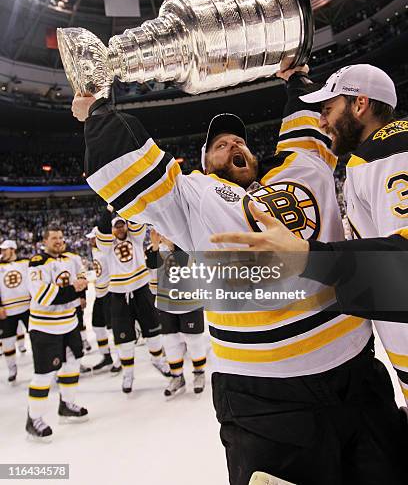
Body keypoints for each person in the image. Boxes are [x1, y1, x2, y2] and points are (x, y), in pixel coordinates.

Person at [71, 78, 406, 484]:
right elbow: (126, 170)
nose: (233, 146)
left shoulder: (302, 172)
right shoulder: (192, 195)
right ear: (204, 162)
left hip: (359, 380)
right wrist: (98, 113)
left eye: (240, 142)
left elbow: (305, 123)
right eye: (220, 145)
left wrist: (294, 76)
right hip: (267, 403)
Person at [211, 64, 408, 403]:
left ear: (360, 105)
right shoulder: (378, 153)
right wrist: (295, 81)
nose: (321, 121)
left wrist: (308, 257)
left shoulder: (390, 151)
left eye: (328, 109)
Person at [26, 225, 89, 441]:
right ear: (44, 241)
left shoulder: (72, 257)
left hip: (69, 323)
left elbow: (82, 280)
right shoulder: (37, 263)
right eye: (54, 238)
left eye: (61, 237)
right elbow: (44, 296)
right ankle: (33, 420)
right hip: (45, 327)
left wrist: (79, 289)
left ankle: (66, 404)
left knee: (73, 363)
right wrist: (74, 289)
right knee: (44, 375)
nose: (59, 241)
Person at [95, 210, 169, 394]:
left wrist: (122, 205)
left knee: (153, 329)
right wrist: (108, 209)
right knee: (124, 338)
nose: (120, 228)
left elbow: (136, 218)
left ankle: (158, 360)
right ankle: (128, 373)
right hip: (118, 295)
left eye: (122, 224)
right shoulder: (106, 246)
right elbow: (102, 227)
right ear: (112, 230)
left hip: (142, 289)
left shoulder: (135, 238)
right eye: (116, 226)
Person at [145, 228, 206, 399]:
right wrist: (156, 245)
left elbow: (185, 262)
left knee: (195, 342)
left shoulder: (188, 244)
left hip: (190, 303)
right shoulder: (156, 248)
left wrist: (172, 245)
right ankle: (177, 377)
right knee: (171, 344)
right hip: (166, 305)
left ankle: (199, 373)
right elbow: (151, 264)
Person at [86, 227, 121, 374]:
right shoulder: (95, 250)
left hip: (109, 293)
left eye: (93, 238)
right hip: (99, 294)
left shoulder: (109, 250)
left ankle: (120, 358)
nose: (90, 241)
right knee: (97, 327)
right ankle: (106, 356)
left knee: (113, 329)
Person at [0, 239, 30, 383]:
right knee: (7, 342)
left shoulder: (25, 263)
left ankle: (44, 364)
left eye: (5, 249)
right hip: (7, 311)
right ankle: (12, 369)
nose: (2, 252)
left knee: (38, 337)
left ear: (12, 249)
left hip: (27, 307)